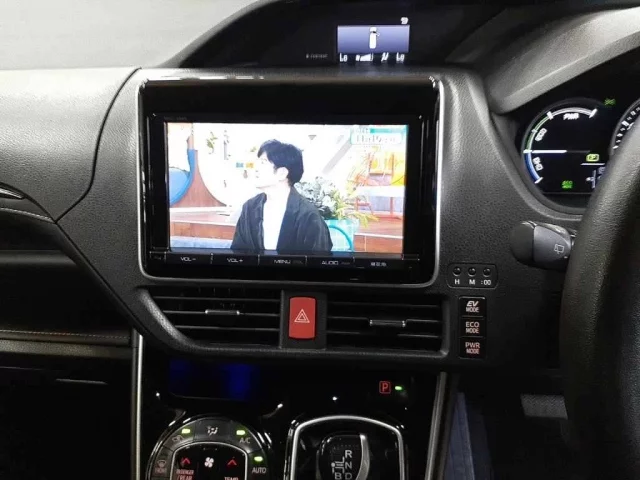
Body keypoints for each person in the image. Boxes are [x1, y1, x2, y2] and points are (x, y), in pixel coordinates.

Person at [231, 140, 333, 254]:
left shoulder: (308, 215)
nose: (255, 168)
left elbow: (319, 259)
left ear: (282, 173)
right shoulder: (250, 208)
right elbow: (237, 253)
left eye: (263, 162)